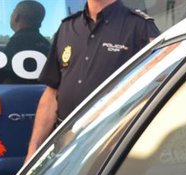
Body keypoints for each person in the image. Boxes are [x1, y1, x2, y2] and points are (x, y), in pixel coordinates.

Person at [25, 0, 158, 157]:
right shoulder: (67, 27)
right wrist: (33, 152)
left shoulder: (140, 26)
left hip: (110, 149)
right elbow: (51, 94)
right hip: (65, 147)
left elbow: (157, 86)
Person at [0, 0, 50, 84]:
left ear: (17, 17)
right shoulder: (48, 46)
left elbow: (5, 82)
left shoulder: (15, 44)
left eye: (12, 13)